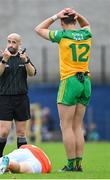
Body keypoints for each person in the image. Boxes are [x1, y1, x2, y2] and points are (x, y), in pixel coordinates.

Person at [35, 8, 92, 172]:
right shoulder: (86, 34)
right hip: (85, 81)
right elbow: (86, 24)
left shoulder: (62, 35)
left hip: (70, 81)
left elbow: (39, 29)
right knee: (77, 126)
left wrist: (55, 15)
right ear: (75, 21)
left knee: (66, 126)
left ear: (61, 22)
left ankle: (71, 164)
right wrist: (77, 14)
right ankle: (79, 164)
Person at [0, 33, 36, 160]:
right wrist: (4, 60)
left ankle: (21, 160)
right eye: (9, 41)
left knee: (21, 133)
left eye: (14, 42)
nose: (11, 44)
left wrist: (26, 61)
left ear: (19, 44)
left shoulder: (24, 58)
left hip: (21, 98)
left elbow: (32, 73)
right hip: (5, 98)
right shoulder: (0, 59)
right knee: (4, 132)